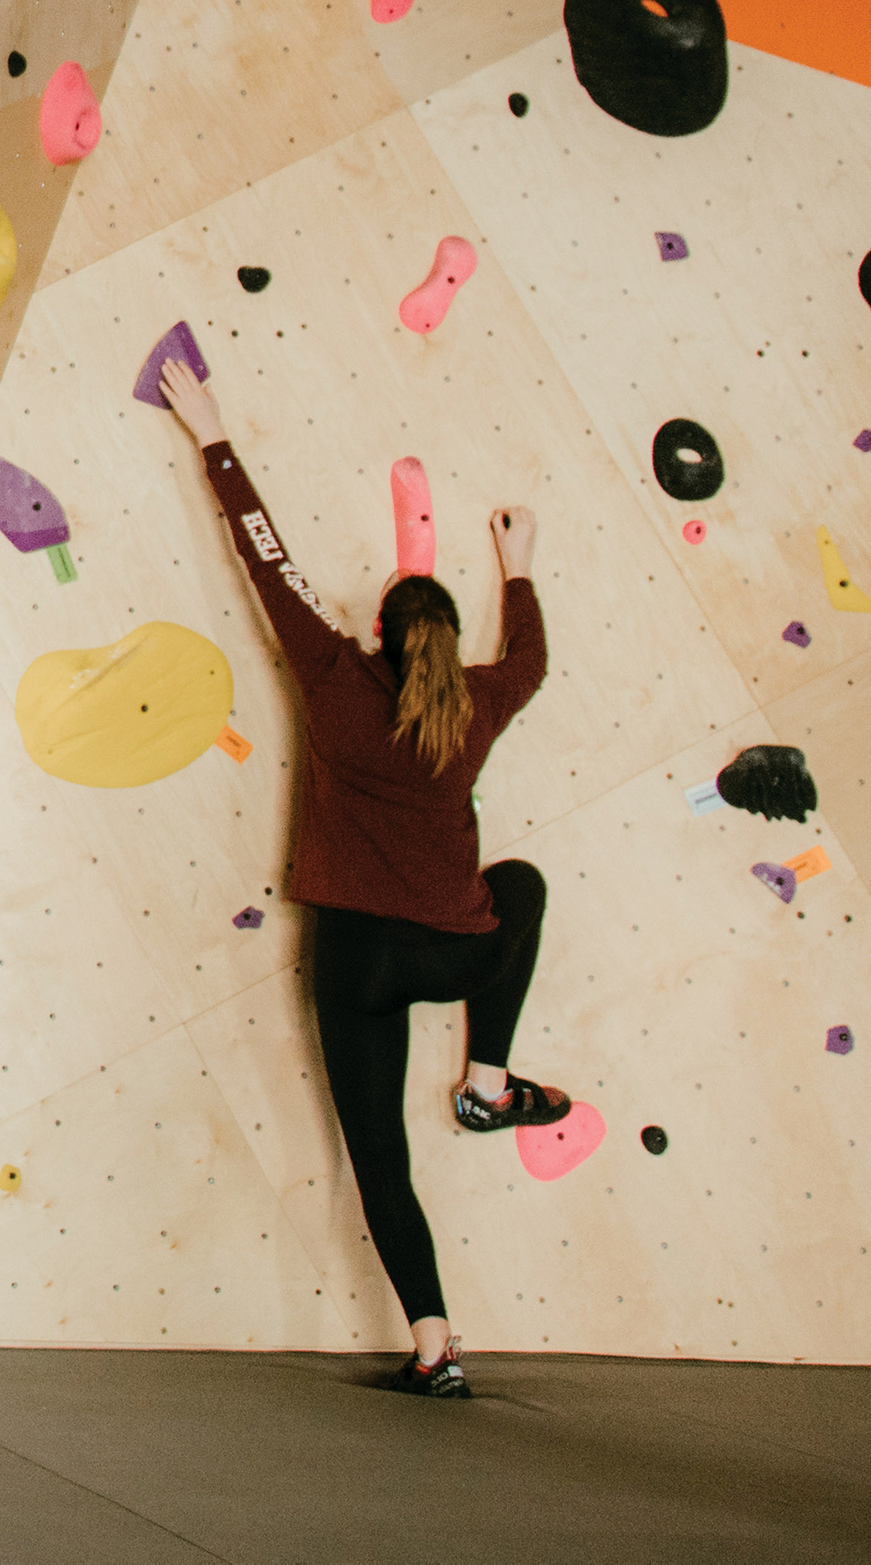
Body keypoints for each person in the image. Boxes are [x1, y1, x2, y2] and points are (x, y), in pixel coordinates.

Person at [148, 324, 561, 1397]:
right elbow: (531, 660)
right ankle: (485, 1076)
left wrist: (216, 436)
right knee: (520, 886)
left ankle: (433, 1344)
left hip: (356, 964)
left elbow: (263, 553)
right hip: (453, 952)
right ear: (444, 637)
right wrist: (518, 563)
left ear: (377, 628)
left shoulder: (333, 678)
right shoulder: (476, 703)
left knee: (381, 1156)